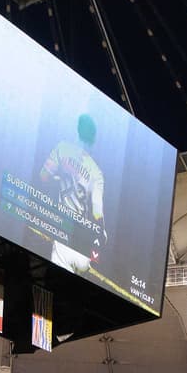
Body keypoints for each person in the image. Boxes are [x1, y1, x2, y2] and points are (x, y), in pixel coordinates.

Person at [39, 113, 106, 277]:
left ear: (77, 130)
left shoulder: (62, 148)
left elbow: (43, 176)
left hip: (62, 234)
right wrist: (101, 234)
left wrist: (59, 177)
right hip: (82, 244)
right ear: (94, 140)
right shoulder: (96, 173)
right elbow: (97, 213)